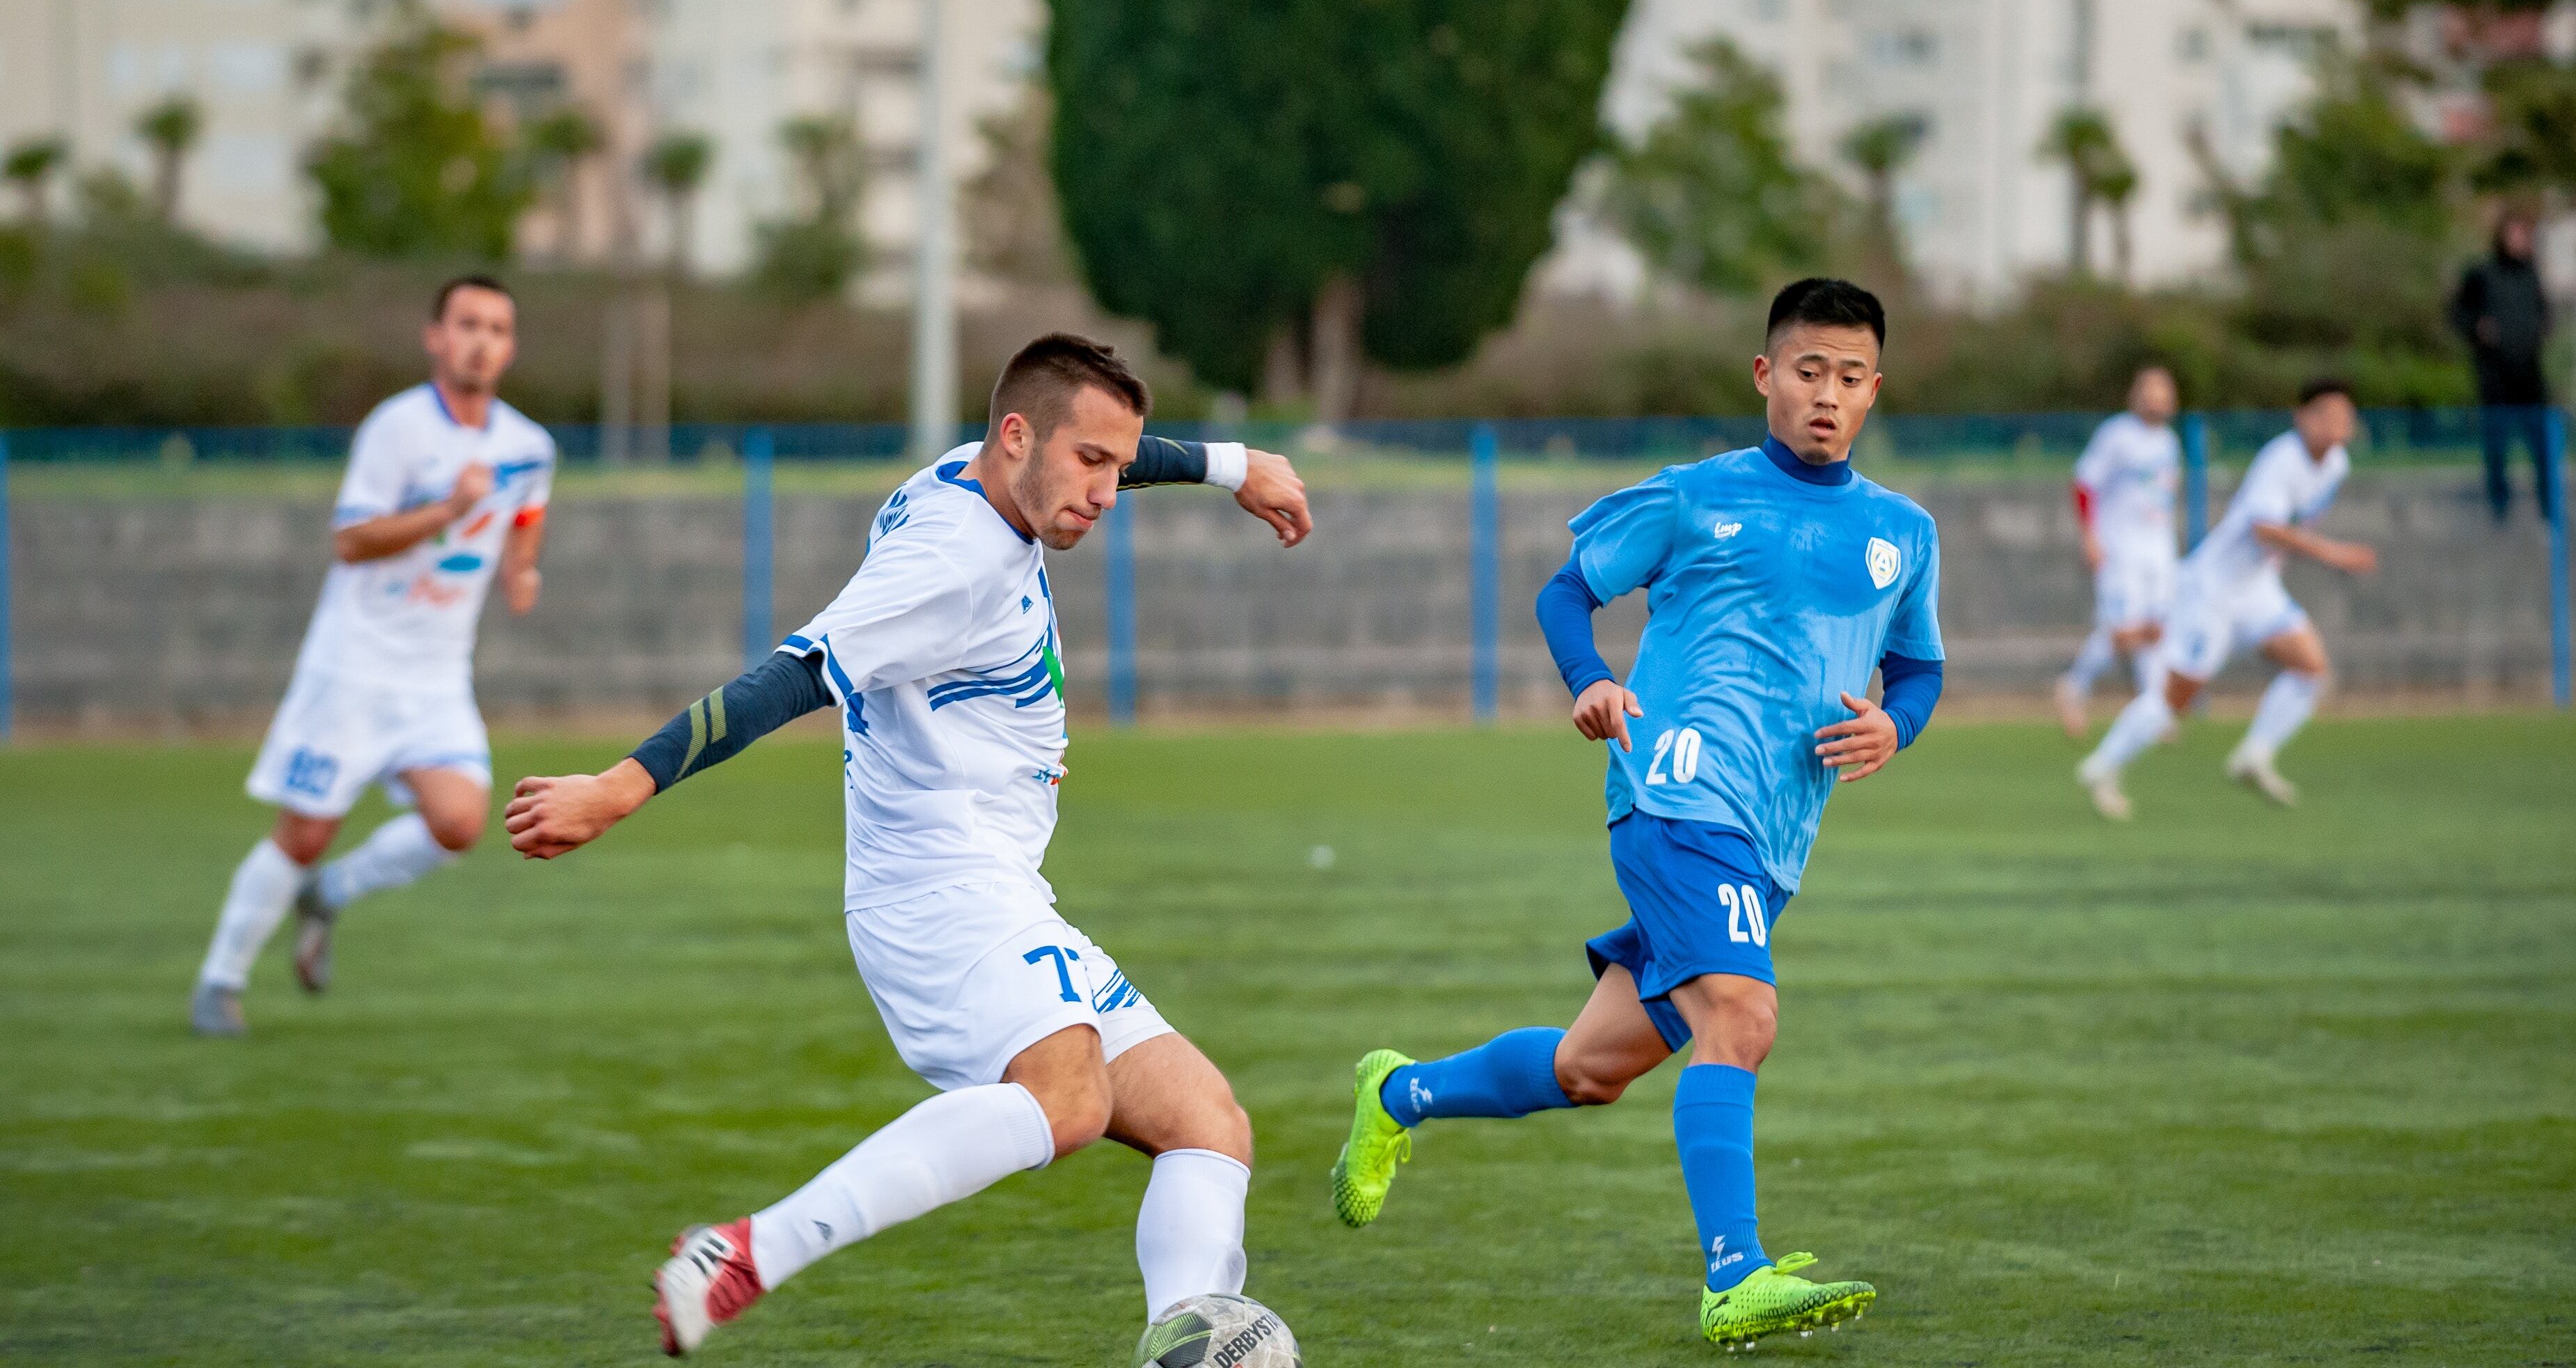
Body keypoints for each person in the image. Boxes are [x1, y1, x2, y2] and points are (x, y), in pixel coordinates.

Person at [498, 333, 1314, 1356]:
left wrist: (1231, 466)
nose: (1107, 491)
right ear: (1015, 437)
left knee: (1206, 1121)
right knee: (1066, 1097)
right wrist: (615, 789)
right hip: (937, 883)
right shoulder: (952, 560)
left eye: (1116, 465)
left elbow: (1099, 443)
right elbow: (792, 675)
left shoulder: (981, 474)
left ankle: (1182, 1343)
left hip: (995, 879)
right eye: (1091, 465)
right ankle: (752, 1249)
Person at [1327, 280, 1943, 1351]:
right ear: (1765, 376)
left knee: (1590, 1069)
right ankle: (1733, 1273)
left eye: (1849, 378)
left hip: (1770, 837)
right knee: (1740, 1016)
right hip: (1674, 790)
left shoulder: (1902, 531)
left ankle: (1400, 1094)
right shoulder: (1694, 497)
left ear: (1874, 391)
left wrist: (1897, 727)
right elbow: (1566, 589)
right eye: (1807, 372)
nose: (1826, 396)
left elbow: (1921, 667)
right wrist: (1590, 679)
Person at [189, 276, 555, 1037]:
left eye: (497, 327)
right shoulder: (395, 429)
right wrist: (447, 510)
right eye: (467, 324)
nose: (482, 340)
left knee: (459, 822)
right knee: (306, 829)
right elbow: (351, 540)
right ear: (436, 337)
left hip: (436, 676)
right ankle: (219, 983)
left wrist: (521, 566)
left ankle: (329, 894)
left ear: (511, 347)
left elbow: (527, 505)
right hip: (353, 667)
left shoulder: (528, 445)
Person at [2076, 380, 2378, 820]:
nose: (2338, 425)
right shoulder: (2283, 458)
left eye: (2345, 417)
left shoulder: (2336, 466)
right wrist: (2335, 554)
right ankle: (2101, 767)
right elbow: (2265, 528)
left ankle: (2254, 755)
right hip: (2212, 590)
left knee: (2312, 668)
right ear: (2303, 417)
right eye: (2327, 414)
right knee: (2175, 698)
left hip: (2256, 588)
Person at [2055, 366, 2183, 736]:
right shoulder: (2117, 434)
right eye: (2149, 390)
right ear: (2135, 395)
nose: (2157, 398)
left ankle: (2153, 707)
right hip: (2121, 545)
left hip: (2158, 547)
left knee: (2156, 628)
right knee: (2123, 631)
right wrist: (2090, 537)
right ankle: (2075, 686)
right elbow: (2083, 484)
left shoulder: (2169, 442)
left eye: (2164, 391)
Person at [2450, 211, 2557, 525]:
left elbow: (2544, 313)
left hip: (2529, 377)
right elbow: (2459, 313)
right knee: (2497, 448)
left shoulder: (2532, 275)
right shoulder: (2482, 274)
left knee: (2542, 447)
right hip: (2495, 379)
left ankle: (2549, 512)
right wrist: (2478, 329)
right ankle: (2500, 509)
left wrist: (2540, 330)